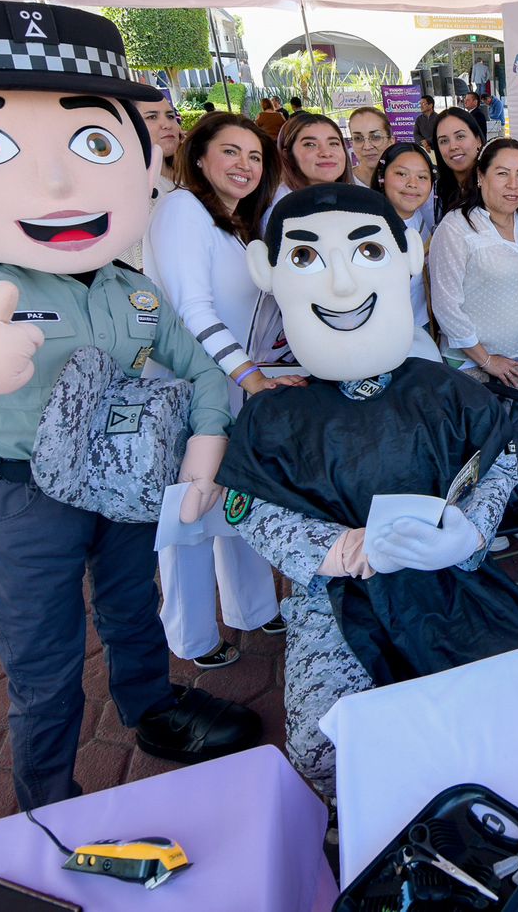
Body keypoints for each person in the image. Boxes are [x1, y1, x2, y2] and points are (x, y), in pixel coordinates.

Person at [0, 0, 258, 810]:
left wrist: (206, 446)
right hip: (24, 491)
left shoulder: (132, 288)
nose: (56, 181)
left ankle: (152, 714)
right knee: (42, 657)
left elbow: (200, 368)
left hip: (123, 481)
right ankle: (46, 798)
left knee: (131, 612)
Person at [219, 183, 518, 795]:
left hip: (449, 580)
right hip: (334, 596)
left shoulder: (443, 389)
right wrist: (344, 550)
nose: (342, 285)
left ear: (407, 258)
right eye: (309, 258)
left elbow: (499, 458)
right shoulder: (277, 411)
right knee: (326, 743)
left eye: (366, 254)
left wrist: (469, 530)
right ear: (271, 274)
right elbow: (249, 505)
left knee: (502, 698)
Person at [144, 112, 297, 667]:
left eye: (255, 156)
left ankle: (252, 609)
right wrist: (252, 378)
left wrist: (269, 368)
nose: (245, 165)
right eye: (231, 152)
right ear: (201, 157)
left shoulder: (237, 225)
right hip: (192, 387)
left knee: (237, 499)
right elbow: (192, 310)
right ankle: (190, 638)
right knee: (188, 511)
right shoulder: (183, 208)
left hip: (237, 382)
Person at [429, 139, 518, 390]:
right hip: (472, 365)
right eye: (502, 174)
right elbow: (446, 304)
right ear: (481, 176)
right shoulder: (457, 227)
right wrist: (487, 360)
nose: (513, 185)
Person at [374, 141, 438, 340]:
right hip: (377, 335)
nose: (412, 184)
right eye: (401, 174)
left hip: (421, 328)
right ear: (382, 176)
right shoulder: (367, 227)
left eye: (422, 177)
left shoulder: (423, 221)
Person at [122, 97, 185, 269]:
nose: (166, 124)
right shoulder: (131, 189)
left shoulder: (192, 176)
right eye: (152, 117)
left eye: (170, 116)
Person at [433, 106, 484, 216]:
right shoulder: (434, 193)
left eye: (460, 136)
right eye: (444, 141)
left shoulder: (495, 186)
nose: (453, 147)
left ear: (478, 140)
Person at [347, 106, 393, 188]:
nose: (367, 147)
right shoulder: (341, 183)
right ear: (352, 143)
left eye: (376, 137)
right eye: (358, 138)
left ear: (391, 142)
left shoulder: (408, 184)